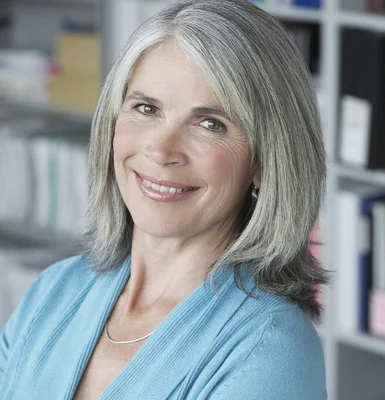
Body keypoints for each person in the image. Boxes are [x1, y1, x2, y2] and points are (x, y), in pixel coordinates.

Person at [0, 0, 328, 398]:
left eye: (211, 123)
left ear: (264, 160)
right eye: (146, 108)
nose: (161, 149)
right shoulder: (54, 290)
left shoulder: (270, 350)